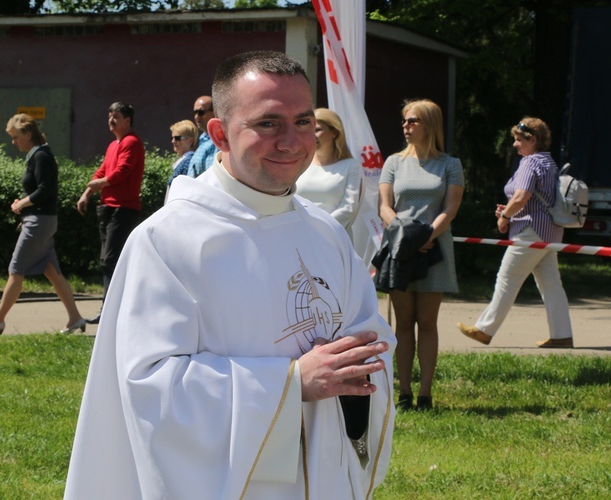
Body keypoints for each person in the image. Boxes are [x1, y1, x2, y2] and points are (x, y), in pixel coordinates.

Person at [64, 50, 397, 499]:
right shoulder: (168, 240)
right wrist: (291, 383)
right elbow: (151, 387)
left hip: (322, 473)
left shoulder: (325, 233)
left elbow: (369, 334)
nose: (292, 141)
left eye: (303, 122)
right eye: (267, 123)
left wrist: (361, 357)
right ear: (219, 133)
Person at [377, 99, 464, 411]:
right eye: (404, 121)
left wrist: (427, 236)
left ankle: (425, 393)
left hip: (434, 249)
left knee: (427, 322)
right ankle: (404, 392)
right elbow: (385, 207)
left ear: (429, 124)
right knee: (403, 322)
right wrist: (407, 237)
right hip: (401, 248)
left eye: (413, 120)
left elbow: (450, 209)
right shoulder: (393, 162)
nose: (406, 126)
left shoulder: (450, 164)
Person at [458, 117, 574, 348]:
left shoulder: (530, 163)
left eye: (519, 140)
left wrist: (506, 216)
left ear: (533, 140)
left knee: (506, 280)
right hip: (548, 232)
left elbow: (522, 196)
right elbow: (534, 199)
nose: (514, 144)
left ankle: (484, 329)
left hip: (530, 231)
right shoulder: (548, 162)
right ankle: (562, 335)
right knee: (551, 285)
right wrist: (510, 209)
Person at [0, 114, 86, 334]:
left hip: (38, 222)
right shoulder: (39, 155)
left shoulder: (41, 156)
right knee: (52, 271)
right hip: (44, 220)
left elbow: (45, 190)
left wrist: (23, 203)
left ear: (28, 134)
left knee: (15, 270)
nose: (14, 142)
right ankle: (75, 318)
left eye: (16, 137)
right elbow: (40, 190)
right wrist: (23, 202)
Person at [77, 102, 145, 325]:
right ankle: (110, 309)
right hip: (108, 207)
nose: (111, 120)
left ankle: (116, 310)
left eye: (116, 116)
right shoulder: (113, 145)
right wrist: (87, 192)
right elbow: (104, 169)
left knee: (111, 259)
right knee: (108, 260)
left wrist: (99, 184)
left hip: (123, 209)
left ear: (128, 120)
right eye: (109, 116)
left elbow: (121, 173)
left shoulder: (131, 143)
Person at [296, 107, 362, 236]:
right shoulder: (299, 162)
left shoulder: (351, 166)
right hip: (299, 235)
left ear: (334, 133)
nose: (312, 135)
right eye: (309, 130)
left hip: (334, 237)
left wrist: (320, 230)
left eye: (318, 130)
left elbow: (348, 208)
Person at [185, 95, 219, 178]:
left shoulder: (219, 140)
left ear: (215, 112)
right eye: (194, 113)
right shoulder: (204, 139)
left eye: (201, 112)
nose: (196, 117)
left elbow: (212, 175)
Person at [166, 119, 199, 187]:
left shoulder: (189, 161)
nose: (173, 141)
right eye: (172, 138)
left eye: (177, 138)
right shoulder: (183, 160)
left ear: (190, 141)